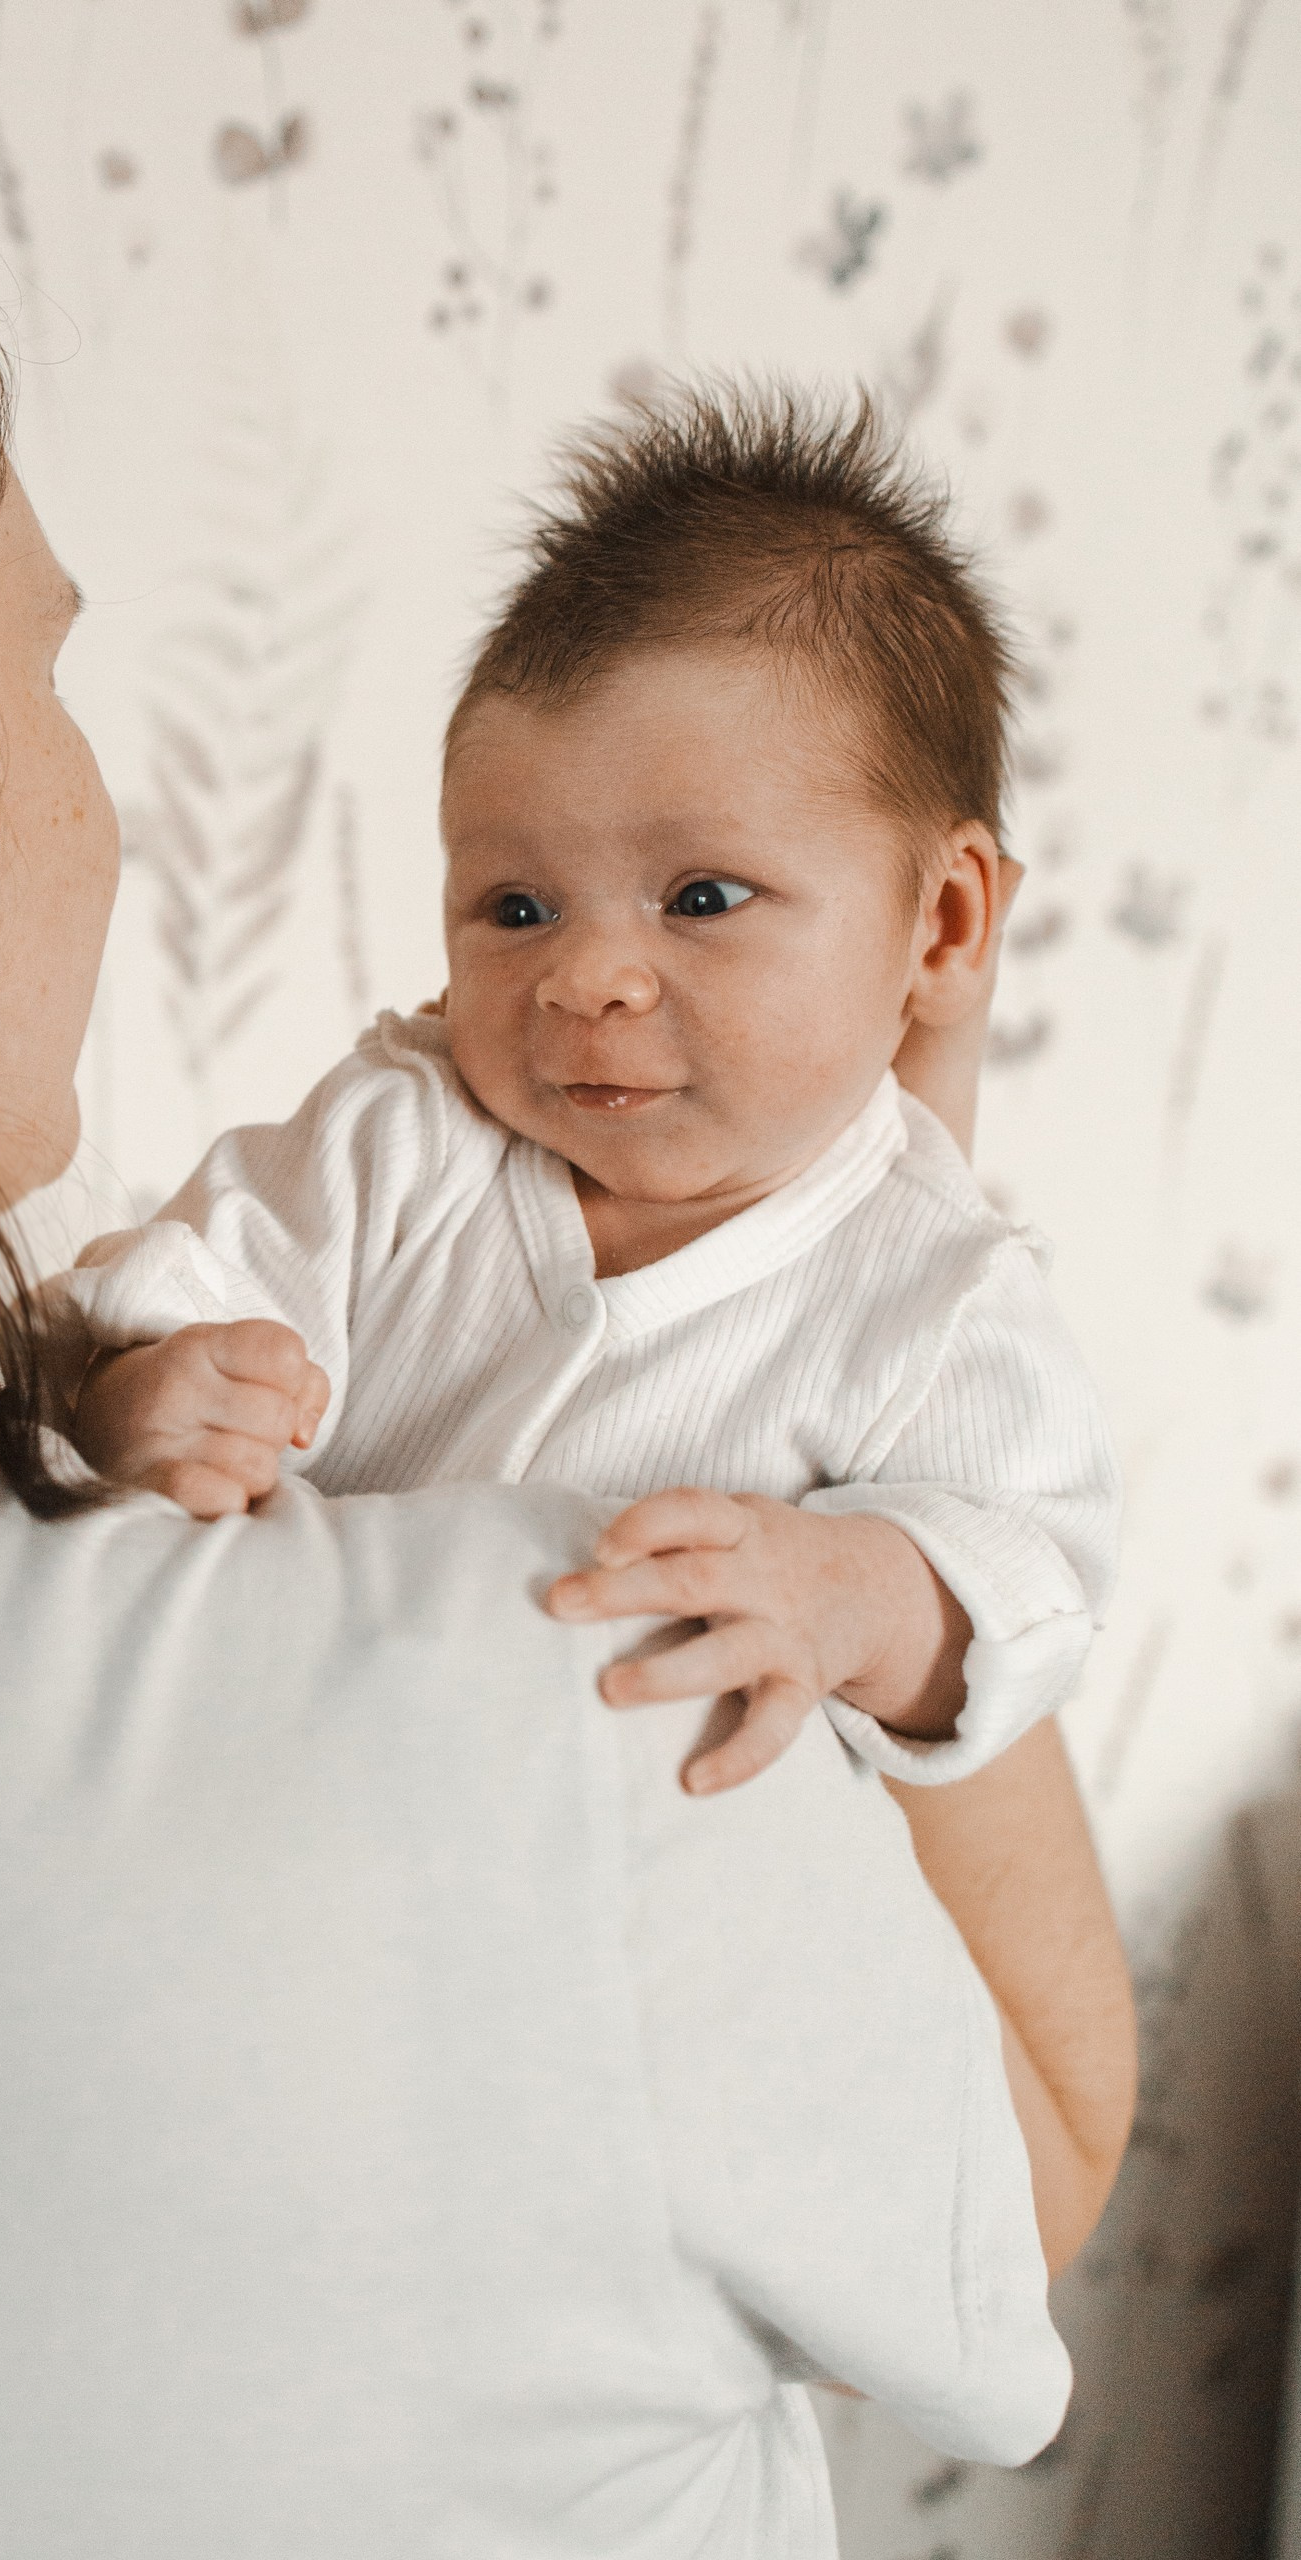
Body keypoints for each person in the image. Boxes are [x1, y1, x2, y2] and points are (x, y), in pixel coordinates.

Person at [0, 29, 1133, 2560]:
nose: (577, 983)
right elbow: (1022, 2213)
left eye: (699, 899)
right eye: (56, 665)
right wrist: (863, 1274)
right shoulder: (599, 1701)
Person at [58, 393, 1120, 1795]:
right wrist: (147, 1393)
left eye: (699, 897)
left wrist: (854, 1590)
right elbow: (190, 1278)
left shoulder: (934, 1292)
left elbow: (1028, 1580)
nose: (585, 979)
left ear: (941, 927)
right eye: (516, 906)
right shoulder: (404, 1136)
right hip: (297, 1793)